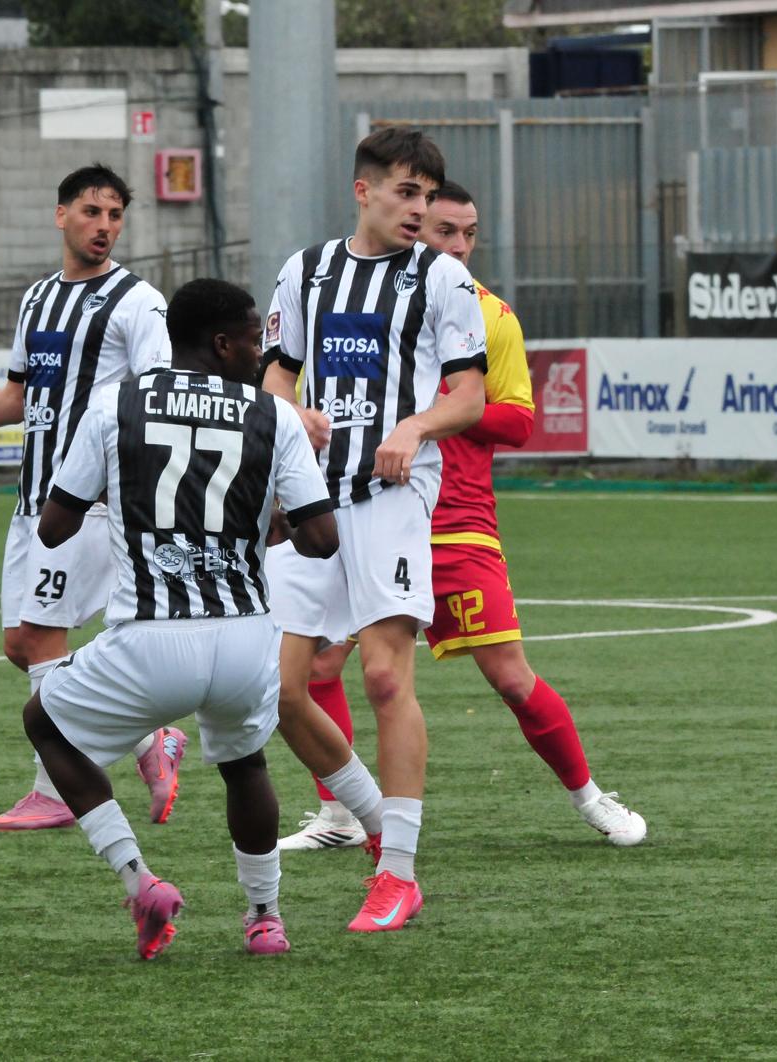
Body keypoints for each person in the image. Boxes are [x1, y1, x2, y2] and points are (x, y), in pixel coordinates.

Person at [279, 182, 646, 854]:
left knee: (508, 675)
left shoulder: (489, 315)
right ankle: (338, 816)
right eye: (445, 232)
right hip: (360, 507)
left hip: (456, 522)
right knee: (320, 670)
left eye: (469, 234)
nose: (458, 247)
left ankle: (590, 797)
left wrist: (433, 406)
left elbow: (518, 417)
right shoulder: (349, 293)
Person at [23, 278, 338, 959]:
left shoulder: (114, 403)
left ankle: (141, 882)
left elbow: (52, 528)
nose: (261, 353)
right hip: (246, 638)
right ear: (221, 342)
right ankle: (264, 918)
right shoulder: (273, 415)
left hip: (149, 639)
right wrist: (257, 528)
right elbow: (322, 541)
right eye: (254, 339)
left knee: (43, 722)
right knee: (245, 765)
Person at [0, 164, 186, 832]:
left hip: (92, 503)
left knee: (39, 637)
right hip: (34, 500)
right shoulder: (36, 301)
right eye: (91, 212)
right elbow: (16, 398)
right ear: (61, 215)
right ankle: (150, 737)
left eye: (115, 215)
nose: (104, 226)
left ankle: (56, 791)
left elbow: (154, 400)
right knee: (18, 645)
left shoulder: (138, 302)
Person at [260, 128, 488, 932]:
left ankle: (398, 873)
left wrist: (416, 427)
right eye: (405, 192)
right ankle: (373, 819)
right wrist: (294, 411)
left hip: (392, 493)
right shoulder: (306, 270)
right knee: (276, 691)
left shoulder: (443, 280)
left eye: (428, 195)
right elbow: (274, 377)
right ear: (365, 192)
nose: (419, 209)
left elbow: (470, 396)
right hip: (312, 500)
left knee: (386, 678)